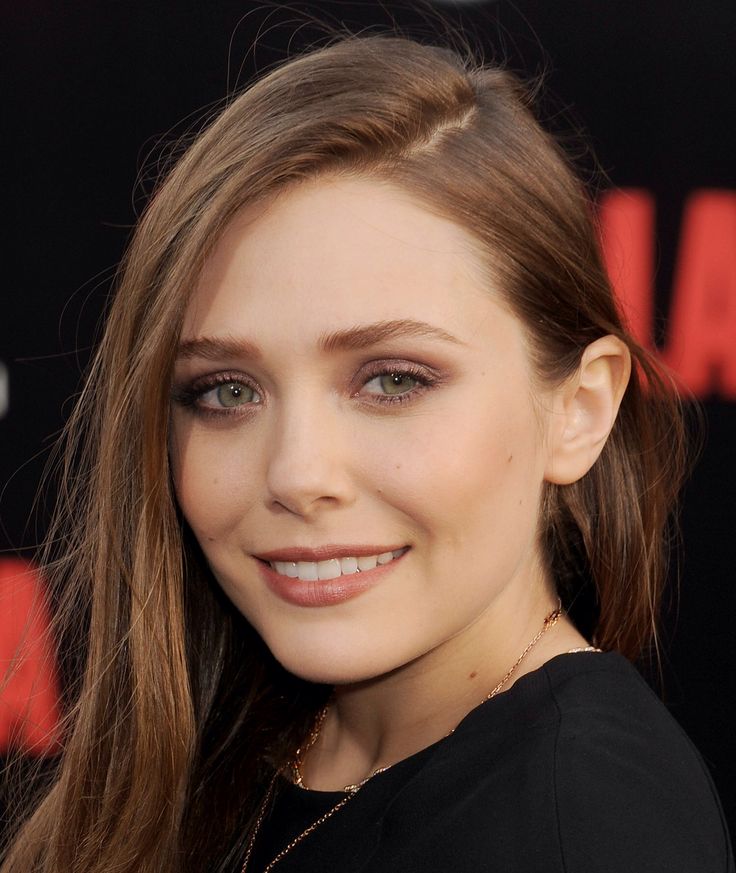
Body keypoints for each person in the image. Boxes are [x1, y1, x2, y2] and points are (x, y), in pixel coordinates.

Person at [1, 34, 733, 873]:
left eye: (392, 380)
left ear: (579, 408)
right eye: (227, 391)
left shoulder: (583, 824)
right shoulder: (248, 736)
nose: (299, 474)